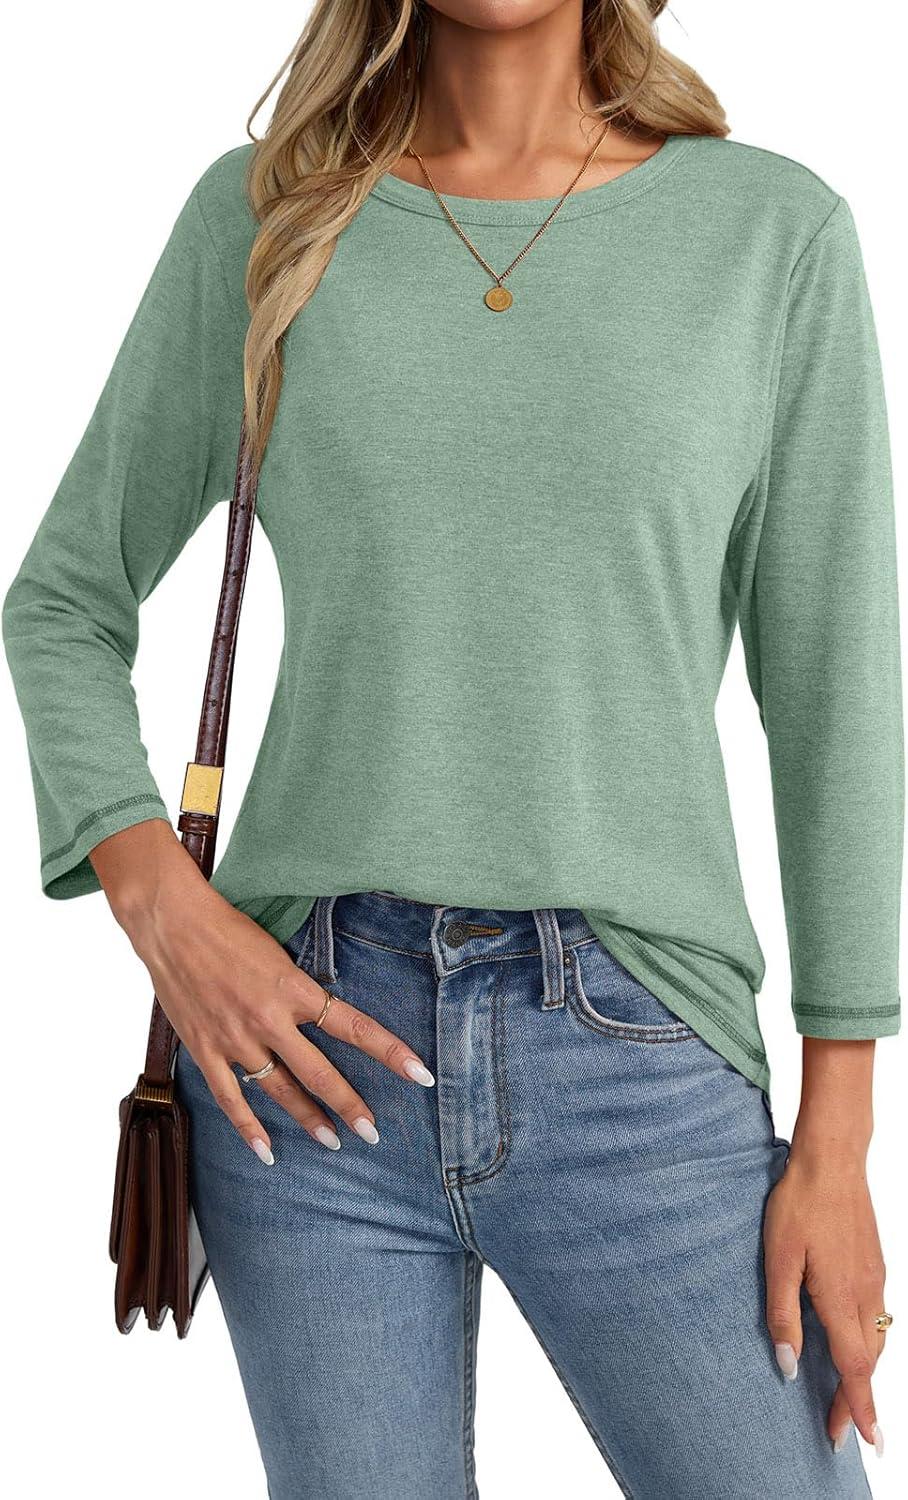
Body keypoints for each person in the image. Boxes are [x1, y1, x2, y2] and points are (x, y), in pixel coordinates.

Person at [3, 2, 900, 1497]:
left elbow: (837, 699)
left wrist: (841, 1140)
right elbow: (63, 600)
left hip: (640, 1047)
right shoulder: (267, 218)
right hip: (304, 1059)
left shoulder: (770, 237)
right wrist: (164, 909)